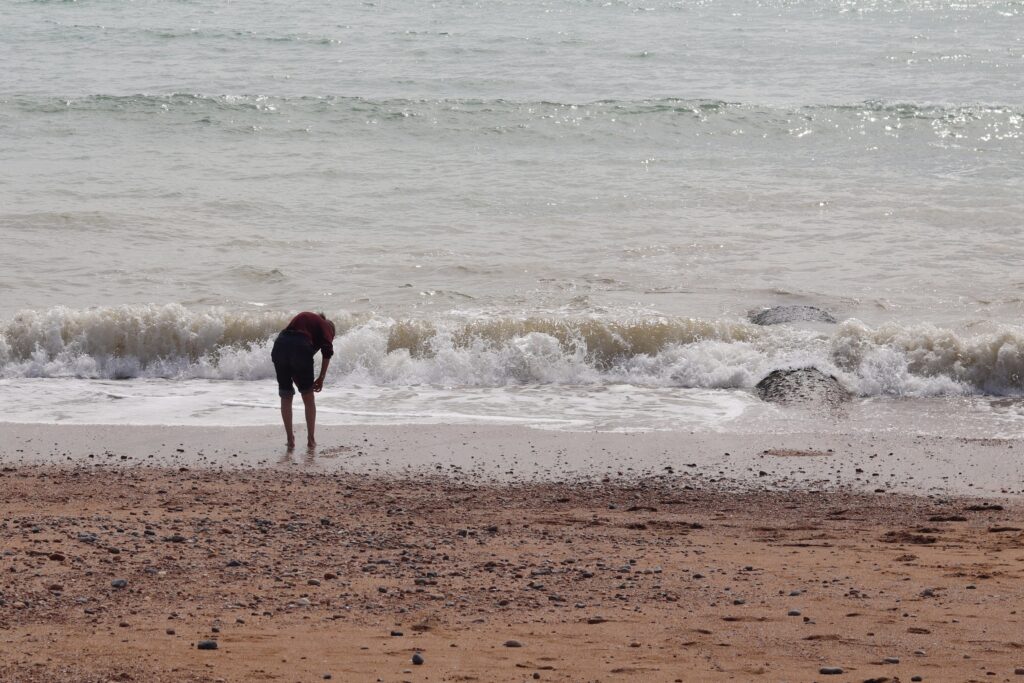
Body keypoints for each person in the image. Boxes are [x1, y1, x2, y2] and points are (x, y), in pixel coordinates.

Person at [271, 311, 335, 449]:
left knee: (286, 395)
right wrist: (321, 378)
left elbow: (293, 356)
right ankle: (311, 441)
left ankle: (290, 440)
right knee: (308, 397)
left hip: (279, 346)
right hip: (299, 346)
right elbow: (327, 351)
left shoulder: (309, 323)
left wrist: (302, 383)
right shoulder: (326, 326)